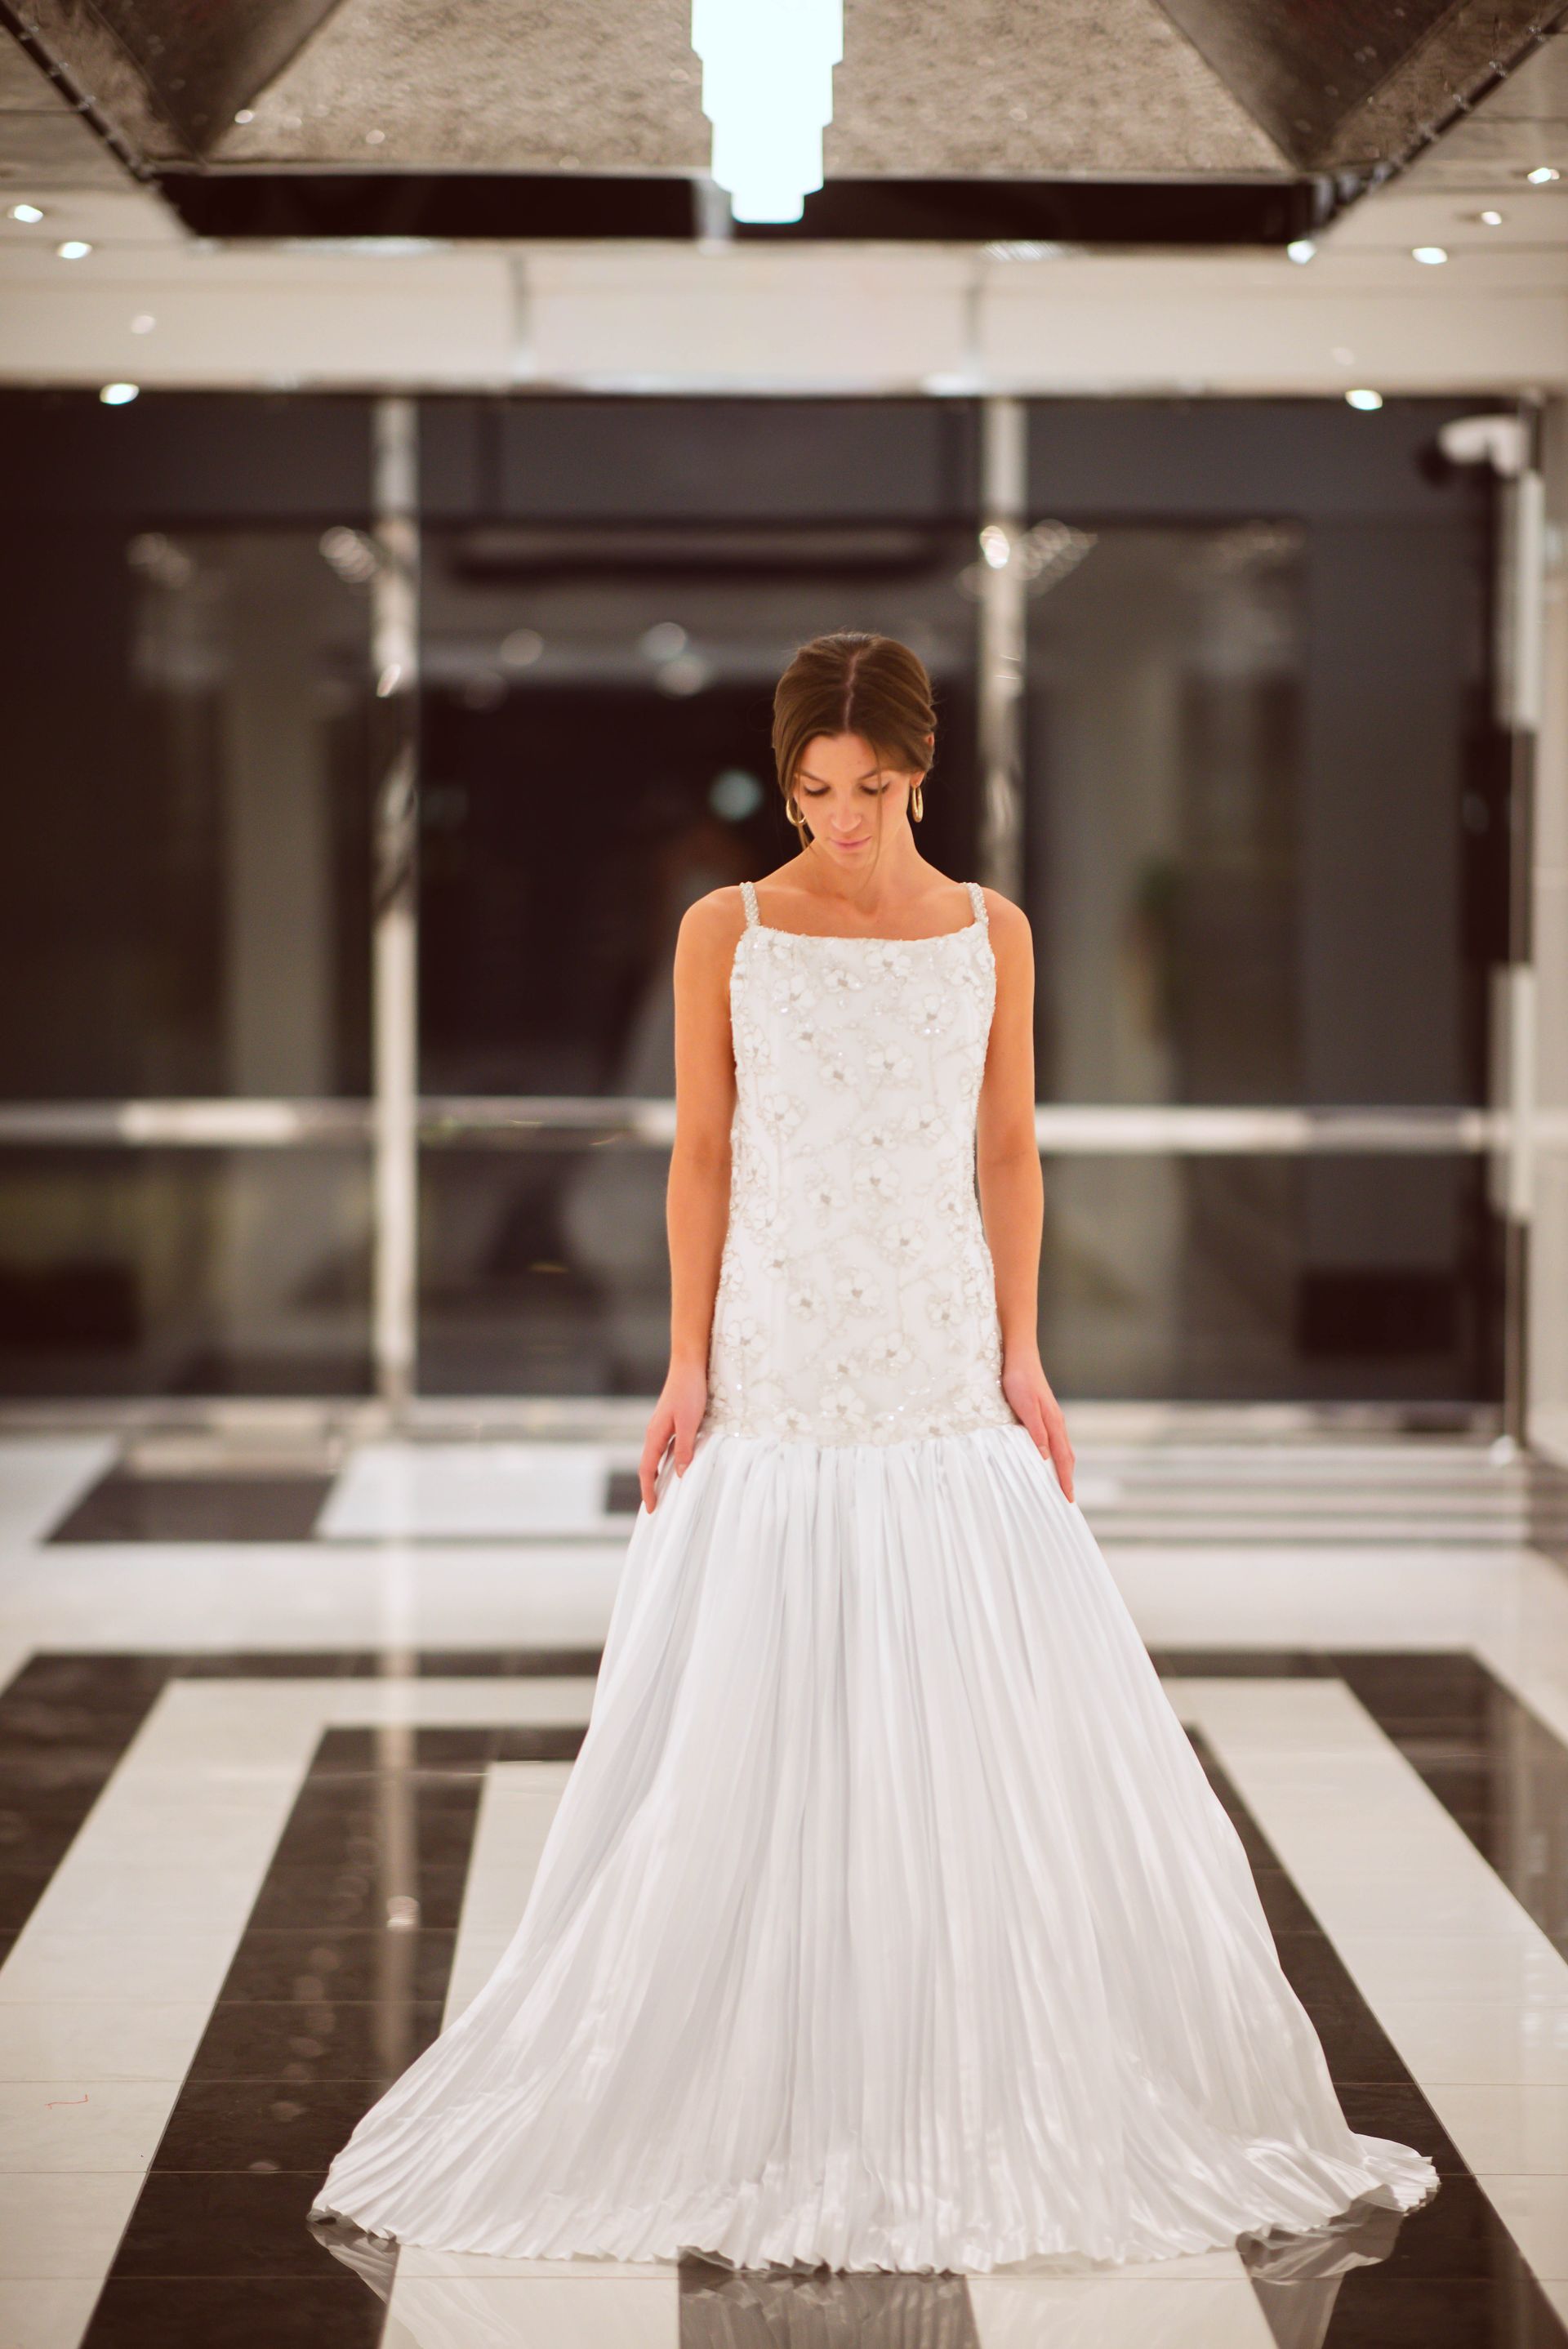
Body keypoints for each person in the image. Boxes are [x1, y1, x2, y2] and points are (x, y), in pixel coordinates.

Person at [309, 630, 1437, 2271]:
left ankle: (966, 2041)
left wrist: (1025, 1349)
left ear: (922, 774)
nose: (844, 819)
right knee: (758, 1688)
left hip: (930, 1333)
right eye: (817, 791)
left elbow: (1007, 1148)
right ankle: (761, 2056)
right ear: (790, 783)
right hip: (775, 1340)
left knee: (973, 1688)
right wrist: (686, 1357)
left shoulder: (992, 931)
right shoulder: (730, 926)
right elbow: (702, 1150)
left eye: (876, 788)